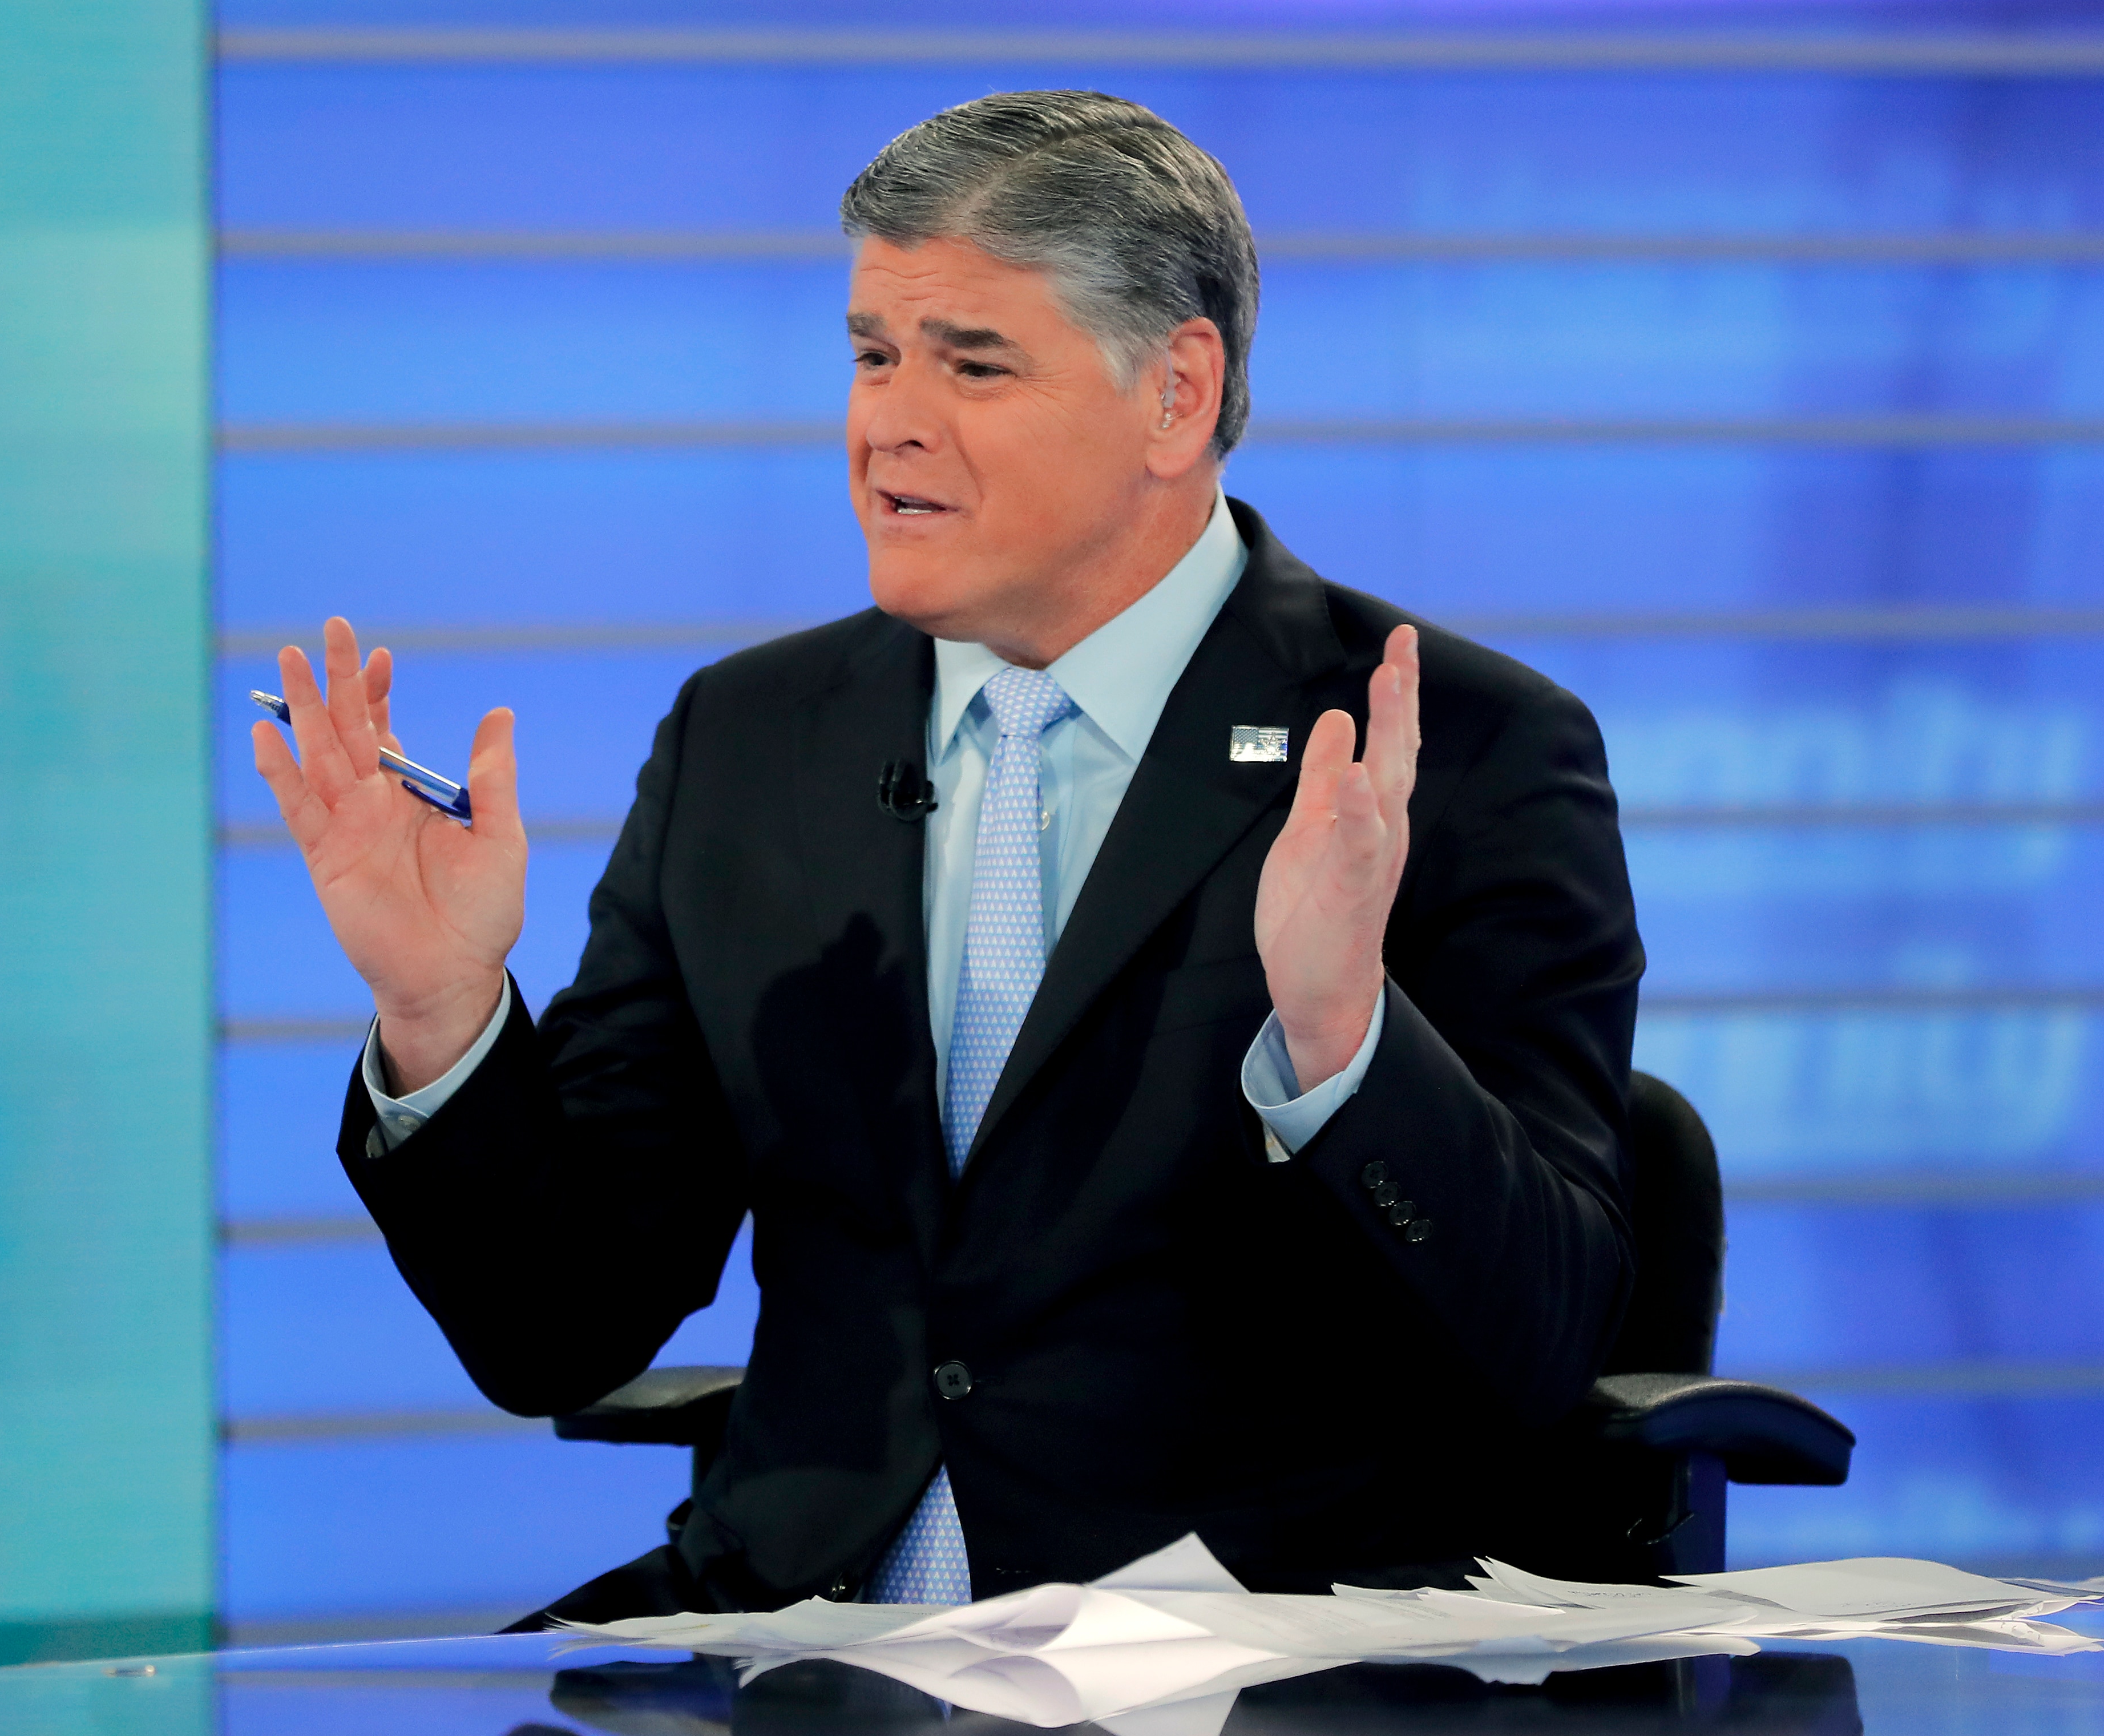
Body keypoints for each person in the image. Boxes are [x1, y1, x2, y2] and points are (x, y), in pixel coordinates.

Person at [255, 91, 1644, 1618]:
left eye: (972, 364)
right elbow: (559, 1330)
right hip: (801, 1630)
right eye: (872, 356)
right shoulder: (751, 739)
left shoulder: (1446, 752)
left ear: (1175, 396)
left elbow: (1539, 1340)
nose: (888, 424)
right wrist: (443, 1011)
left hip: (1243, 1653)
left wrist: (1340, 1036)